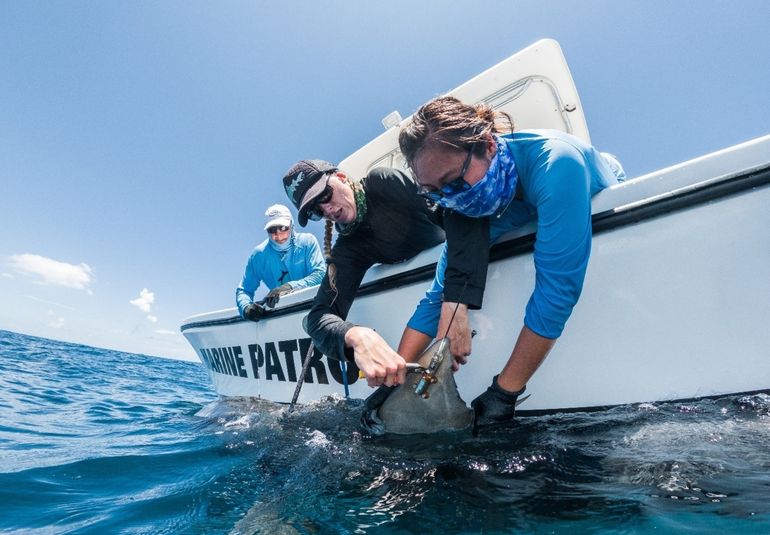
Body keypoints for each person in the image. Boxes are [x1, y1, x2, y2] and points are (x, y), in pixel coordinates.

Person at [396, 95, 627, 429]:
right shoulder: (465, 204)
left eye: (454, 182)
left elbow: (556, 292)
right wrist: (397, 375)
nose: (452, 198)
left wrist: (504, 392)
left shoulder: (557, 163)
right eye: (436, 193)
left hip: (592, 181)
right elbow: (438, 296)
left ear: (488, 145)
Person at [282, 160, 446, 387]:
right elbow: (318, 317)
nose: (327, 209)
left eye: (324, 195)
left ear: (340, 178)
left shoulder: (384, 182)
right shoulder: (348, 249)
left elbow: (456, 221)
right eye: (316, 211)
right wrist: (355, 335)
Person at [236, 204, 325, 321]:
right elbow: (244, 290)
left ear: (291, 225)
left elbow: (320, 275)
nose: (278, 235)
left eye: (283, 228)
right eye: (272, 230)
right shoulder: (258, 255)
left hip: (315, 307)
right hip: (282, 314)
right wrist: (246, 308)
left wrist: (289, 287)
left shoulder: (307, 241)